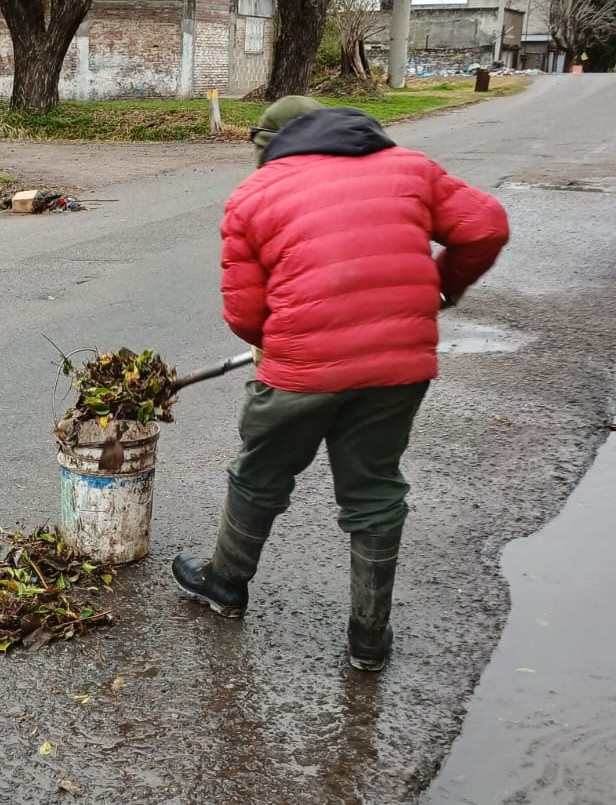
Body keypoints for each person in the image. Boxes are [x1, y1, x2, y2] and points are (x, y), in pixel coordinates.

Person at [171, 96, 509, 671]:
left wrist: (270, 341)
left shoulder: (254, 196)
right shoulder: (411, 167)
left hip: (301, 367)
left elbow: (244, 313)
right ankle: (369, 637)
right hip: (397, 367)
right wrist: (442, 289)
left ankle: (226, 584)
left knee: (260, 473)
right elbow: (486, 226)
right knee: (375, 489)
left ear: (269, 145)